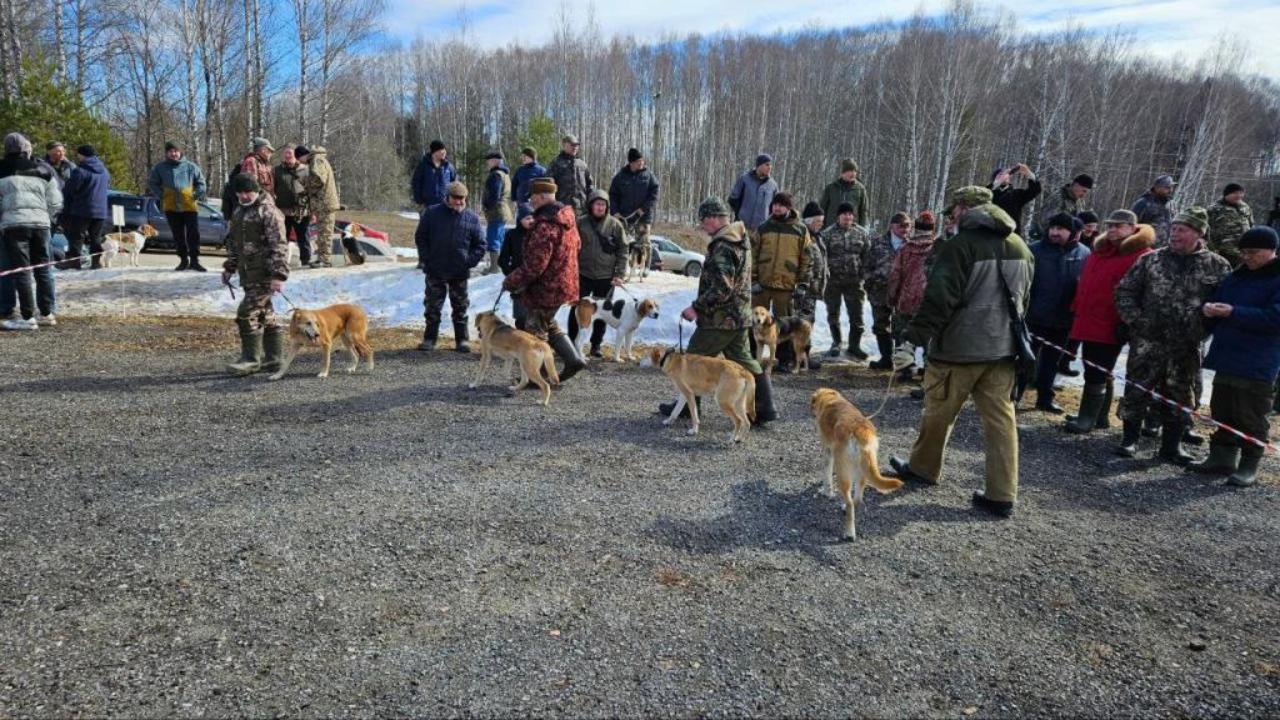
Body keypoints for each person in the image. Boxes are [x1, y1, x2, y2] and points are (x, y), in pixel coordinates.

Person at [889, 186, 1032, 518]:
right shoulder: (1021, 247)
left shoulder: (959, 247)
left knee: (938, 411)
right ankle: (1002, 494)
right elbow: (1026, 301)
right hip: (1002, 350)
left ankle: (923, 468)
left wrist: (911, 340)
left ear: (965, 209)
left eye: (954, 209)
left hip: (958, 350)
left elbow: (939, 301)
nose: (951, 215)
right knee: (1001, 422)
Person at [1113, 207, 1231, 463]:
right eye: (1174, 229)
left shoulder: (1217, 265)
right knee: (1137, 390)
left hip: (1187, 345)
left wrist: (1205, 328)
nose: (1175, 234)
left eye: (1183, 230)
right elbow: (1125, 292)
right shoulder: (1150, 260)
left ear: (1199, 233)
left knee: (1180, 396)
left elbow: (1226, 303)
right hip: (1148, 342)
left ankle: (1171, 447)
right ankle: (1129, 440)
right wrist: (1136, 321)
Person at [658, 197, 778, 425]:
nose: (702, 226)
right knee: (745, 361)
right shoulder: (739, 238)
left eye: (703, 220)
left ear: (713, 218)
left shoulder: (723, 245)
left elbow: (723, 287)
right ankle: (765, 408)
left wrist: (696, 307)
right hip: (740, 316)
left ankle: (687, 407)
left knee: (692, 357)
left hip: (720, 319)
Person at [1193, 226, 1280, 486]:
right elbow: (1219, 299)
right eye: (1243, 252)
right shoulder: (1236, 276)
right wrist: (1208, 309)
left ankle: (1249, 464)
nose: (1247, 257)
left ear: (1271, 251)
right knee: (1223, 409)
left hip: (1259, 360)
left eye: (1253, 252)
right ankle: (1221, 457)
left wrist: (1233, 312)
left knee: (1251, 414)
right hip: (1227, 354)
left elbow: (1274, 318)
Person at [1064, 210, 1156, 434]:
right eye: (1111, 225)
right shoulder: (1100, 251)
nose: (1113, 229)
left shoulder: (1143, 255)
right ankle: (1099, 417)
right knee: (1094, 366)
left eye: (1119, 225)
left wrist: (1127, 322)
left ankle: (1088, 418)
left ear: (1133, 228)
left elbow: (1141, 293)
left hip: (1112, 322)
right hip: (1088, 317)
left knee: (1097, 369)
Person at [501, 177, 587, 381]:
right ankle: (573, 359)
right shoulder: (567, 220)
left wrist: (511, 281)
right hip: (564, 284)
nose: (531, 200)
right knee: (547, 322)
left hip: (546, 288)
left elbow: (535, 265)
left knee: (535, 331)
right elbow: (578, 248)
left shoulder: (545, 226)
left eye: (533, 196)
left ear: (541, 196)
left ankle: (535, 377)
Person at [222, 174, 289, 376]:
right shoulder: (239, 212)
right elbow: (234, 244)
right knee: (265, 314)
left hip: (265, 274)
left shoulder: (268, 211)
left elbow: (279, 245)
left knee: (246, 313)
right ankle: (274, 360)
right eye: (240, 192)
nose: (244, 195)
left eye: (247, 191)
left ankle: (250, 360)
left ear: (256, 189)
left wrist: (278, 275)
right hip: (248, 274)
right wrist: (229, 268)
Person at [1023, 212, 1090, 413]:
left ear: (1072, 233)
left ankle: (1044, 398)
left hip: (1063, 320)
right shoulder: (1034, 250)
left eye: (1060, 229)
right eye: (1052, 228)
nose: (1054, 232)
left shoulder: (1084, 254)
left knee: (1052, 363)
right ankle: (1013, 395)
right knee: (1025, 360)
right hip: (1033, 317)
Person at [0, 133, 62, 331]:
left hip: (14, 225)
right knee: (44, 269)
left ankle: (27, 317)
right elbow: (56, 201)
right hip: (41, 225)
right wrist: (47, 218)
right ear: (27, 148)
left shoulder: (1, 169)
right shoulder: (44, 168)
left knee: (22, 271)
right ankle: (46, 313)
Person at [415, 181, 485, 353]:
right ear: (447, 197)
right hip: (435, 269)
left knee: (460, 307)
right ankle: (430, 339)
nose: (459, 202)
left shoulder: (472, 218)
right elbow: (420, 237)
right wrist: (426, 259)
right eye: (456, 198)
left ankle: (462, 340)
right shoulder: (432, 213)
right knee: (432, 307)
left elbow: (481, 245)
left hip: (459, 272)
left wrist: (468, 261)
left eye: (462, 199)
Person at [568, 189, 629, 357]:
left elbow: (623, 250)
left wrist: (619, 274)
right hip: (583, 274)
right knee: (578, 310)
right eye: (597, 204)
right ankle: (571, 344)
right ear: (591, 205)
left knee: (602, 313)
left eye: (603, 204)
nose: (600, 207)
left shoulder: (615, 225)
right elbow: (571, 247)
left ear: (607, 207)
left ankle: (596, 345)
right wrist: (570, 270)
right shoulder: (580, 223)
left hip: (606, 277)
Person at [886, 210, 936, 381]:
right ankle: (930, 374)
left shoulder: (905, 249)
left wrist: (892, 298)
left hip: (906, 301)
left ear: (916, 227)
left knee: (903, 336)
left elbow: (895, 275)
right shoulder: (938, 248)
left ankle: (905, 370)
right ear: (932, 228)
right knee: (930, 338)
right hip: (930, 303)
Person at [147, 140, 208, 271]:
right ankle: (183, 260)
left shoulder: (191, 167)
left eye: (175, 151)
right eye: (170, 151)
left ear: (180, 152)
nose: (173, 154)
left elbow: (202, 183)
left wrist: (194, 195)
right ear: (166, 153)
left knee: (193, 234)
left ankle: (195, 261)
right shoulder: (160, 168)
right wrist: (162, 195)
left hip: (189, 206)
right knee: (178, 235)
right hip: (171, 206)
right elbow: (153, 183)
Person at [750, 191, 811, 321]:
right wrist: (753, 280)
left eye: (781, 205)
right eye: (775, 204)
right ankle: (755, 342)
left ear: (789, 208)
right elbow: (752, 254)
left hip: (786, 287)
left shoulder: (800, 230)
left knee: (784, 326)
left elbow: (807, 258)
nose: (777, 208)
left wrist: (802, 284)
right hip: (762, 286)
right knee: (755, 326)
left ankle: (782, 342)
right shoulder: (763, 228)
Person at [821, 202, 871, 359]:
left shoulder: (862, 233)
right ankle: (836, 343)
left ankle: (854, 345)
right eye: (844, 214)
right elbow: (822, 256)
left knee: (857, 314)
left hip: (854, 282)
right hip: (833, 281)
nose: (847, 217)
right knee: (833, 313)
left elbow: (867, 256)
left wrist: (864, 275)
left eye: (850, 214)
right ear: (838, 216)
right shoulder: (827, 234)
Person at [864, 212, 912, 369]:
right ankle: (886, 358)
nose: (905, 230)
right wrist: (870, 283)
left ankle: (901, 364)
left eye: (907, 226)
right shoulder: (877, 243)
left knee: (900, 328)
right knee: (880, 325)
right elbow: (866, 265)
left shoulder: (911, 245)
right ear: (892, 226)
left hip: (902, 295)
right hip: (880, 292)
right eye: (901, 226)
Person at [608, 147, 659, 278]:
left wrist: (644, 208)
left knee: (644, 243)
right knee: (624, 243)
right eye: (638, 161)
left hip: (643, 216)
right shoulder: (620, 177)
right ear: (631, 162)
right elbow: (613, 195)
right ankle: (622, 268)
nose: (641, 163)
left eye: (642, 160)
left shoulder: (649, 176)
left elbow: (654, 194)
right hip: (625, 217)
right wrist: (615, 212)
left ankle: (646, 266)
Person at [59, 145, 111, 270]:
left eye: (78, 155)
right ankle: (96, 262)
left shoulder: (80, 170)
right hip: (101, 211)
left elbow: (70, 190)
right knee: (96, 238)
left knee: (76, 236)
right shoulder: (105, 171)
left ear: (82, 155)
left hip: (82, 209)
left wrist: (66, 205)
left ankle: (74, 262)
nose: (78, 157)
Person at [793, 201, 828, 371]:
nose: (820, 224)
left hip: (813, 290)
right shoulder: (801, 234)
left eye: (821, 221)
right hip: (803, 289)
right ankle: (798, 358)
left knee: (808, 324)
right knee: (801, 325)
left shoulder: (817, 235)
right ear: (808, 220)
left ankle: (805, 356)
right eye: (817, 221)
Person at [296, 145, 339, 268]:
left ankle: (324, 260)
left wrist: (305, 183)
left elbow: (319, 179)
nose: (300, 163)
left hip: (325, 203)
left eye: (299, 160)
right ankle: (322, 258)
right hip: (323, 203)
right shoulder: (317, 159)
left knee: (325, 232)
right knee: (322, 232)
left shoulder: (316, 159)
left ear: (302, 156)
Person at [497, 202, 534, 330]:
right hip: (519, 281)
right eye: (527, 218)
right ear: (520, 219)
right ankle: (521, 344)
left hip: (536, 281)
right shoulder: (512, 235)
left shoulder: (539, 233)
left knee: (536, 317)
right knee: (521, 317)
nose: (531, 221)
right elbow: (503, 259)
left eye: (533, 217)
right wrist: (512, 274)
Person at [273, 145, 311, 267]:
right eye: (286, 154)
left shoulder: (305, 170)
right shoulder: (276, 171)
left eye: (290, 153)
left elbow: (312, 191)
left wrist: (313, 210)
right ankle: (281, 262)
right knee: (282, 239)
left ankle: (306, 261)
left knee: (303, 238)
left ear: (295, 155)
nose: (288, 156)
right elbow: (271, 189)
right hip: (283, 211)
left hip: (302, 211)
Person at [1206, 183, 1254, 267]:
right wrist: (1212, 249)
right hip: (1223, 251)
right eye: (1235, 193)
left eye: (1241, 193)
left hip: (1243, 251)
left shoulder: (1245, 207)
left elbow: (1251, 224)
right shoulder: (1214, 209)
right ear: (1227, 194)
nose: (1239, 196)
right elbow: (1207, 230)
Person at [728, 154, 778, 232]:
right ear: (759, 165)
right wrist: (741, 214)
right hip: (742, 227)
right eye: (767, 165)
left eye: (770, 165)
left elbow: (774, 207)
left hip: (761, 230)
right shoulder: (744, 179)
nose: (770, 167)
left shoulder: (773, 185)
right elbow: (733, 199)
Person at [481, 150, 512, 274]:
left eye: (489, 161)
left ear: (495, 161)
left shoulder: (496, 175)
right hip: (503, 210)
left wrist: (486, 206)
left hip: (496, 211)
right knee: (500, 238)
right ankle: (501, 264)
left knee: (493, 238)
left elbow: (494, 194)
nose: (487, 163)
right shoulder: (505, 174)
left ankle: (494, 267)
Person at [987, 163, 1041, 235]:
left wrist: (1029, 174)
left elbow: (1035, 190)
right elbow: (982, 197)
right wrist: (997, 183)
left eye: (1004, 174)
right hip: (991, 234)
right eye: (999, 174)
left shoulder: (1016, 194)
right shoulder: (988, 193)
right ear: (994, 179)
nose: (1003, 175)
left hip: (1012, 235)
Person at [547, 134, 594, 211]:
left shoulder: (582, 164)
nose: (575, 147)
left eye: (576, 145)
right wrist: (553, 203)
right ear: (564, 145)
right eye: (572, 145)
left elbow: (590, 185)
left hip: (582, 209)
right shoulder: (556, 163)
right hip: (562, 208)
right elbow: (549, 186)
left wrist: (591, 201)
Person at [818, 158, 868, 228]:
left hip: (852, 231)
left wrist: (862, 229)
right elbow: (822, 209)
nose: (853, 173)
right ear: (843, 173)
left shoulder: (860, 189)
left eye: (854, 171)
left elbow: (863, 211)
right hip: (831, 230)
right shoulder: (831, 188)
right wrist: (821, 227)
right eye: (850, 170)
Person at [1039, 174, 1093, 238]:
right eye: (1084, 191)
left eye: (1086, 192)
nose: (1084, 195)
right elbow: (1046, 222)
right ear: (1076, 185)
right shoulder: (1058, 198)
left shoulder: (1079, 201)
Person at [1131, 174, 1177, 246]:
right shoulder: (1143, 203)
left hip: (1167, 247)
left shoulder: (1171, 203)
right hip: (1146, 246)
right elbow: (1131, 224)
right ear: (1157, 188)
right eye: (1167, 188)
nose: (1170, 190)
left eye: (1171, 187)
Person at [410, 140, 456, 210]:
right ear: (435, 152)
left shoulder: (449, 167)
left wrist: (453, 201)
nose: (444, 152)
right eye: (442, 150)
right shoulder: (423, 165)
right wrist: (419, 201)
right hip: (427, 206)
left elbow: (455, 185)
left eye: (445, 150)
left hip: (445, 206)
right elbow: (416, 183)